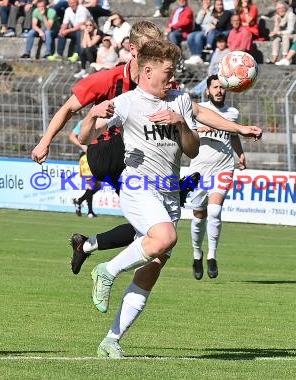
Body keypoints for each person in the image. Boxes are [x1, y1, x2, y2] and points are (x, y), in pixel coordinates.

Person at [29, 21, 261, 276]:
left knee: (154, 230)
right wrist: (45, 141)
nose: (156, 54)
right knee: (142, 142)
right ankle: (177, 191)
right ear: (132, 49)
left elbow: (196, 110)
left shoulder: (163, 84)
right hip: (107, 151)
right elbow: (68, 108)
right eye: (149, 48)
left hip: (137, 161)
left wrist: (237, 128)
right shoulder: (110, 78)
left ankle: (86, 245)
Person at [80, 39, 200, 358]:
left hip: (169, 192)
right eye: (168, 72)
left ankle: (111, 340)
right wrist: (92, 116)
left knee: (153, 265)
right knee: (165, 237)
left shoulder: (181, 101)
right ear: (148, 70)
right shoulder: (128, 102)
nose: (172, 79)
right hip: (138, 185)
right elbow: (82, 137)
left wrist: (181, 123)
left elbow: (192, 149)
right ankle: (106, 270)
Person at [187, 75, 246, 280]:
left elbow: (234, 135)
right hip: (199, 169)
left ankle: (212, 256)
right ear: (208, 90)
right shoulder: (197, 110)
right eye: (215, 87)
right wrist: (198, 129)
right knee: (198, 217)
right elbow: (183, 134)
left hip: (223, 167)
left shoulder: (232, 113)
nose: (219, 91)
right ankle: (197, 253)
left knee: (215, 210)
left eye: (222, 87)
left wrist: (240, 154)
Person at [69, 119, 101, 217]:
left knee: (97, 185)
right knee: (90, 184)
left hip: (98, 156)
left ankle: (79, 201)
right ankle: (90, 212)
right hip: (87, 156)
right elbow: (71, 136)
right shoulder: (84, 122)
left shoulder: (103, 121)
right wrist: (83, 146)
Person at [184, 0, 215, 65]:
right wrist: (203, 13)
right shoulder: (201, 11)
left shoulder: (213, 9)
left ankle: (198, 55)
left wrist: (207, 11)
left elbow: (212, 20)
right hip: (201, 30)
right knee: (190, 36)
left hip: (209, 30)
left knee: (198, 36)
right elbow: (198, 22)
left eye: (208, 1)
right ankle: (193, 55)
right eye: (205, 1)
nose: (206, 2)